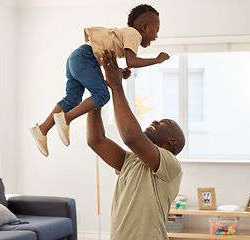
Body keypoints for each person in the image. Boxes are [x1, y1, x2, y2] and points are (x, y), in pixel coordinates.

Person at [30, 4, 170, 157]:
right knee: (102, 95)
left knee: (73, 98)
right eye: (156, 30)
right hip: (86, 58)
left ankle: (42, 130)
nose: (156, 36)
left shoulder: (125, 35)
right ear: (144, 27)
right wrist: (156, 60)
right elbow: (132, 61)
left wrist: (119, 73)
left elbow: (110, 59)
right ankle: (66, 118)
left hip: (77, 57)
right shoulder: (134, 34)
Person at [86, 49, 185, 240]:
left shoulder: (171, 164)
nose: (156, 121)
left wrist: (116, 86)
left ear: (172, 142)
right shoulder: (131, 161)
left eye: (166, 123)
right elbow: (95, 140)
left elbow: (131, 136)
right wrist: (96, 93)